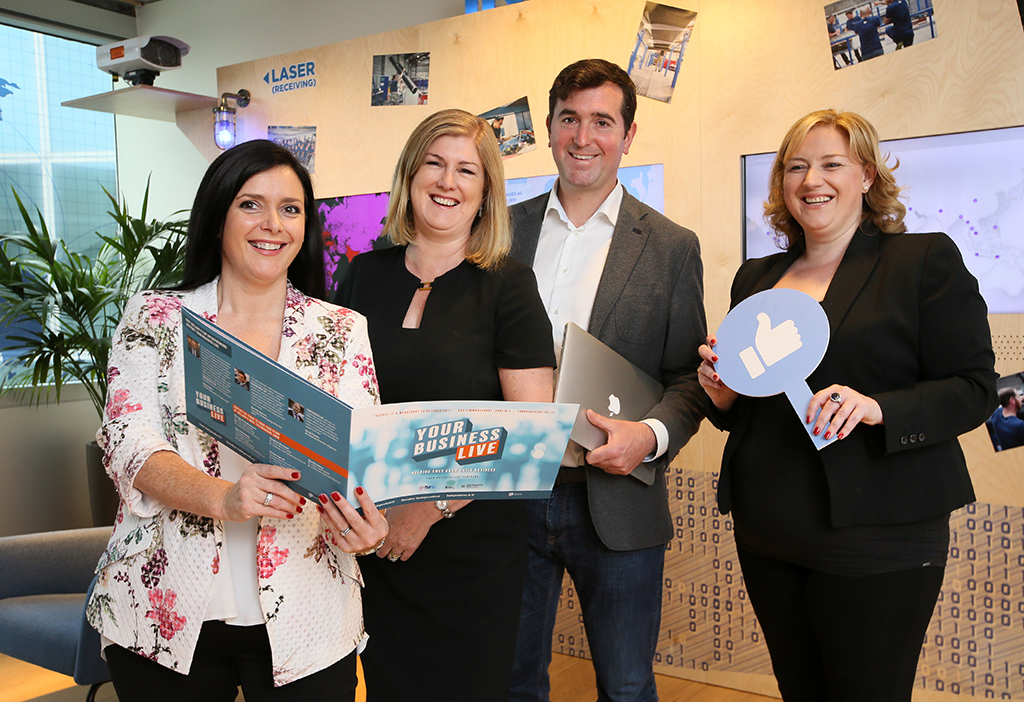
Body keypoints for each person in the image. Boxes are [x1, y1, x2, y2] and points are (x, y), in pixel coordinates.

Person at [697, 109, 997, 701]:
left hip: (878, 531)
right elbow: (752, 407)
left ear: (866, 175)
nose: (813, 180)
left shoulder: (922, 261)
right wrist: (725, 396)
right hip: (767, 530)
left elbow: (974, 388)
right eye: (797, 167)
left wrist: (876, 407)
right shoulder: (755, 278)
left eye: (831, 164)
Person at [88, 140, 390, 702]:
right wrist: (224, 498)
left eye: (290, 208)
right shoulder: (154, 317)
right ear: (217, 215)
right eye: (251, 204)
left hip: (308, 617)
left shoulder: (341, 330)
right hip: (163, 609)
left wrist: (364, 529)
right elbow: (129, 446)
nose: (273, 224)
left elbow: (358, 467)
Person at [334, 109, 555, 701]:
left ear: (486, 194)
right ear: (410, 175)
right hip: (373, 541)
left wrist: (430, 507)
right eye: (433, 163)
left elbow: (530, 434)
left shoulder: (509, 285)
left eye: (466, 170)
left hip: (470, 552)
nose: (447, 181)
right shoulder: (361, 276)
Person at [507, 58, 707, 702]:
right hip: (508, 493)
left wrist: (649, 437)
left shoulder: (672, 246)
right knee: (510, 682)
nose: (583, 137)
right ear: (548, 127)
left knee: (626, 687)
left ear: (628, 134)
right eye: (569, 119)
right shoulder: (499, 232)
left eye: (602, 121)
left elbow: (689, 378)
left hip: (616, 500)